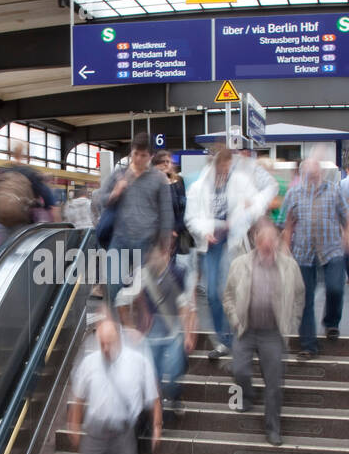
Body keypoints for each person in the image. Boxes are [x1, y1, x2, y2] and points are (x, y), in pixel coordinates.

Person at [66, 317, 161, 454]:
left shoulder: (137, 362)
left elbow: (153, 397)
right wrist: (74, 424)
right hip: (96, 429)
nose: (105, 348)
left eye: (109, 342)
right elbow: (78, 397)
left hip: (123, 430)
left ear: (118, 339)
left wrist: (157, 425)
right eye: (101, 343)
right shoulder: (90, 363)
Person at [185, 145, 276, 360]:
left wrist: (250, 206)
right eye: (223, 167)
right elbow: (191, 218)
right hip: (212, 244)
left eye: (229, 167)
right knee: (213, 294)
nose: (226, 171)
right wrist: (204, 230)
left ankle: (242, 337)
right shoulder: (199, 187)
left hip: (234, 242)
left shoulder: (239, 182)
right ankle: (225, 340)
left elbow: (259, 201)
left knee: (236, 291)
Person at [223, 217, 305, 446]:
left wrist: (292, 323)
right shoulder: (239, 264)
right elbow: (228, 295)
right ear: (256, 241)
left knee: (274, 383)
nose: (268, 244)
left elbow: (299, 296)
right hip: (246, 329)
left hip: (273, 333)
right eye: (263, 240)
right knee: (239, 370)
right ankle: (246, 396)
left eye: (272, 240)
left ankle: (273, 428)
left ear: (277, 242)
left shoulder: (290, 267)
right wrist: (235, 319)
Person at [280, 150, 349, 357]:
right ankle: (308, 345)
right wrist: (284, 252)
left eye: (316, 171)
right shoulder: (293, 194)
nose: (313, 175)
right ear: (303, 173)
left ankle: (331, 322)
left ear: (321, 173)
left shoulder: (335, 191)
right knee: (304, 299)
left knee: (335, 288)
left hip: (332, 250)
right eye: (309, 171)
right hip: (303, 252)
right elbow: (287, 225)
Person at [115, 236, 196, 418]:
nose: (154, 259)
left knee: (174, 373)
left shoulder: (179, 273)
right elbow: (121, 299)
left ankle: (175, 397)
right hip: (151, 334)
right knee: (155, 375)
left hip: (173, 332)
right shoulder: (142, 276)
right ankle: (157, 417)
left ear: (166, 254)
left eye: (157, 255)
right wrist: (129, 328)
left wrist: (188, 334)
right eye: (151, 256)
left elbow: (185, 305)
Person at [101, 134, 173, 299]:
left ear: (151, 156)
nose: (138, 159)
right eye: (135, 154)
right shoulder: (119, 174)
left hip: (147, 244)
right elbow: (99, 200)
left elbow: (166, 213)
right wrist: (114, 193)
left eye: (143, 155)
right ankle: (115, 324)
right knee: (113, 286)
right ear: (131, 152)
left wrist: (165, 246)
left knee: (144, 293)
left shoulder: (159, 179)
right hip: (119, 240)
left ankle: (141, 323)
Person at [0, 142, 61, 241]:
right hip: (25, 225)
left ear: (12, 154)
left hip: (3, 225)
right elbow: (51, 203)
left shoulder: (4, 170)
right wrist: (59, 227)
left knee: (6, 251)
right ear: (26, 155)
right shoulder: (31, 173)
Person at [152, 150, 191, 255]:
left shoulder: (178, 182)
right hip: (156, 235)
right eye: (162, 162)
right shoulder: (151, 183)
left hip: (176, 234)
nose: (165, 164)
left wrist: (175, 229)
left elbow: (183, 208)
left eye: (168, 162)